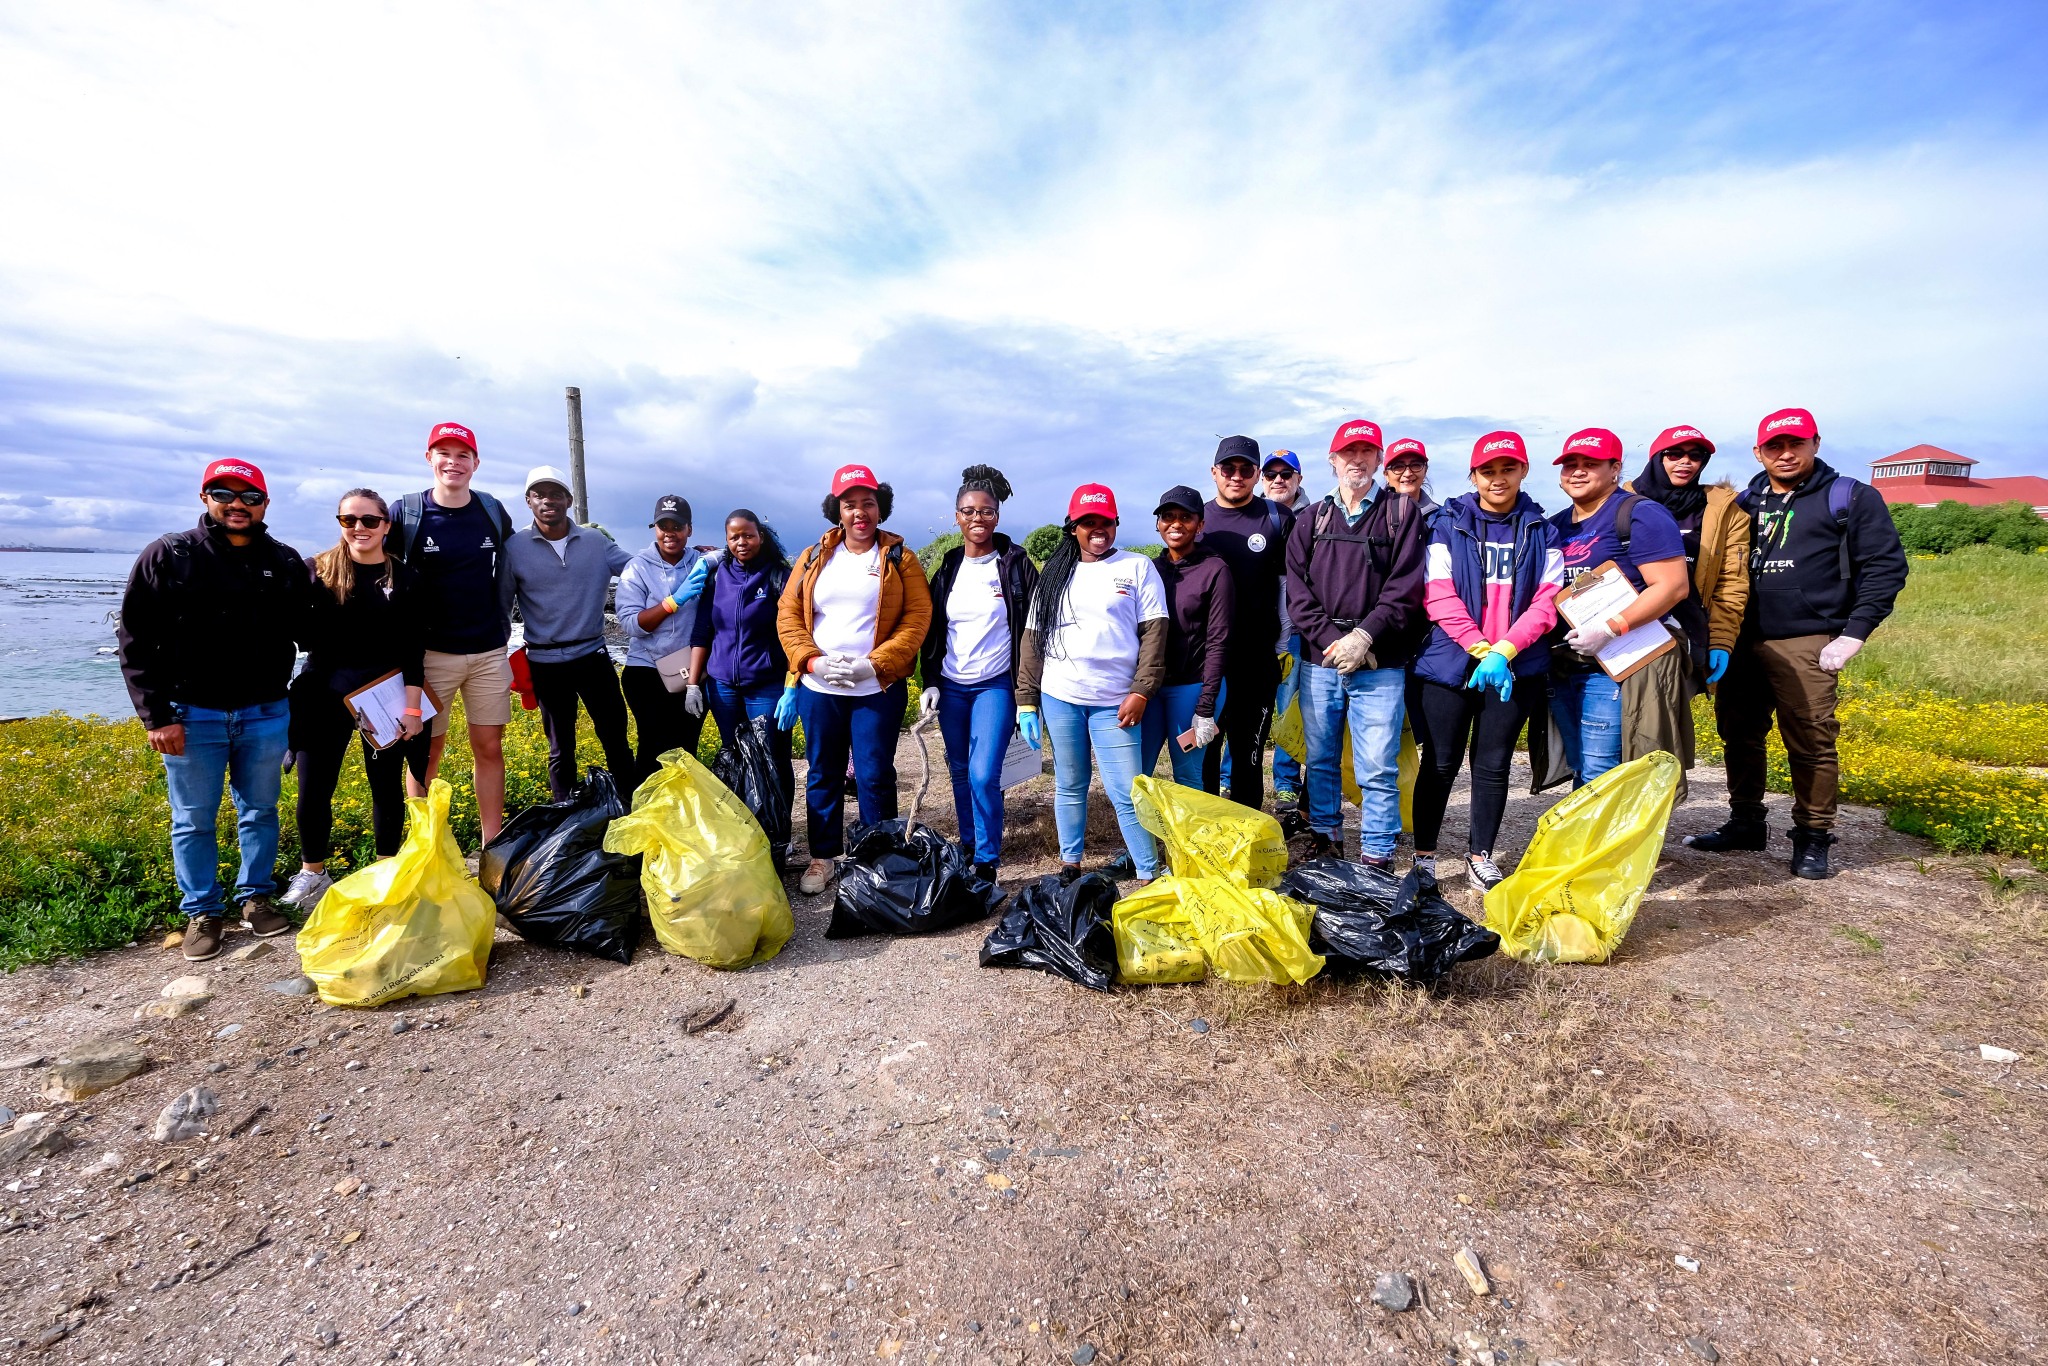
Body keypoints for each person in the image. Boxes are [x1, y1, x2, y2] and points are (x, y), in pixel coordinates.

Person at [1687, 408, 1908, 879]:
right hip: (1740, 639)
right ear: (1758, 452)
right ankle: (1746, 822)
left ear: (1815, 444)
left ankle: (1813, 835)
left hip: (1807, 637)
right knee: (1739, 736)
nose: (1785, 454)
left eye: (1795, 444)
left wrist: (1854, 633)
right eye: (1775, 446)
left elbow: (1885, 567)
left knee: (1810, 739)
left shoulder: (1849, 496)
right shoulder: (1743, 502)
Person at [117, 458, 308, 961]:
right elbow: (134, 638)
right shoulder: (169, 554)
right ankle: (202, 911)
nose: (237, 505)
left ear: (265, 504)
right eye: (224, 494)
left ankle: (256, 897)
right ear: (205, 498)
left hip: (266, 711)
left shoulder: (285, 561)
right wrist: (156, 716)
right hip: (190, 712)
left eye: (250, 496)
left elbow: (312, 629)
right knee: (193, 819)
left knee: (260, 811)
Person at [1408, 434, 1563, 890]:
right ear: (1473, 475)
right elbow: (1438, 594)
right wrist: (1481, 649)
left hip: (1515, 667)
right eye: (1488, 471)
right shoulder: (1447, 523)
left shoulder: (1543, 528)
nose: (1498, 479)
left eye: (1507, 469)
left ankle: (1480, 856)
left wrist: (1504, 651)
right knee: (1440, 762)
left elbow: (1547, 601)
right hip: (1450, 664)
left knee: (1493, 764)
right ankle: (1424, 857)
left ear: (1523, 471)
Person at [778, 464, 933, 896]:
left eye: (868, 503)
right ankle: (823, 856)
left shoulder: (900, 558)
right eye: (850, 505)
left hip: (876, 689)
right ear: (837, 510)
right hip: (820, 689)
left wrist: (874, 664)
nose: (859, 512)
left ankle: (877, 859)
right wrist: (811, 662)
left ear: (881, 508)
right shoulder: (813, 556)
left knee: (875, 774)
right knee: (823, 772)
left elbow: (917, 618)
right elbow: (788, 614)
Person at [1284, 419, 1429, 867]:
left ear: (1379, 459)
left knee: (1377, 764)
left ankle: (1377, 856)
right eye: (1349, 452)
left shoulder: (1400, 513)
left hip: (1380, 661)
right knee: (1321, 759)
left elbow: (1405, 587)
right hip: (1321, 661)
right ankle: (1327, 840)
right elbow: (1298, 593)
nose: (1358, 460)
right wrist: (1336, 642)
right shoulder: (1311, 518)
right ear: (1333, 460)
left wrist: (1364, 636)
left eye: (1367, 452)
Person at [283, 489, 431, 912]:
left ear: (386, 525)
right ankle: (313, 873)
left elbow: (413, 649)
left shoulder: (406, 578)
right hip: (323, 692)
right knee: (314, 788)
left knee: (385, 786)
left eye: (369, 520)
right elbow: (288, 632)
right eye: (349, 520)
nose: (359, 528)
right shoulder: (315, 571)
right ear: (340, 524)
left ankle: (386, 872)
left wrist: (413, 708)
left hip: (384, 693)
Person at [1016, 485, 1168, 884]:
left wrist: (1141, 691)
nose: (1097, 529)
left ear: (1116, 523)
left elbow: (1155, 635)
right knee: (1070, 783)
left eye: (1105, 521)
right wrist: (1027, 701)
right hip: (1060, 696)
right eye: (1088, 522)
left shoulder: (1137, 567)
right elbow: (1033, 640)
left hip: (1116, 701)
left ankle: (1148, 873)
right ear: (1073, 527)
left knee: (1127, 793)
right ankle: (1070, 865)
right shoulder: (1054, 573)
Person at [388, 422, 516, 845]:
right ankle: (424, 846)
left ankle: (492, 846)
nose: (453, 462)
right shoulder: (406, 512)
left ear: (476, 463)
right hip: (429, 655)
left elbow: (517, 564)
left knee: (490, 748)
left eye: (463, 455)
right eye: (444, 453)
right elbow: (374, 566)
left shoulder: (492, 510)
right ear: (429, 458)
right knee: (426, 751)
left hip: (489, 650)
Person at [1546, 428, 1693, 788]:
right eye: (1570, 464)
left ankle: (1605, 829)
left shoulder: (1639, 514)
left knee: (1601, 769)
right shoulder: (1556, 525)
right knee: (1579, 763)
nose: (1578, 472)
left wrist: (1610, 628)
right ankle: (1585, 827)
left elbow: (1672, 586)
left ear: (1615, 469)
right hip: (1567, 663)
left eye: (1590, 464)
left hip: (1618, 663)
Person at [917, 465, 1039, 881]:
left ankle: (987, 860)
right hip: (952, 686)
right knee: (958, 769)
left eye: (986, 511)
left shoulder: (1015, 564)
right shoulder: (948, 567)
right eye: (969, 511)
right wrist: (930, 680)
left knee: (984, 773)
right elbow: (934, 628)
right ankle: (969, 844)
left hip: (995, 685)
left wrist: (1028, 693)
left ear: (997, 516)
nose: (977, 518)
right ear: (957, 517)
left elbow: (1032, 628)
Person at [503, 465, 635, 799]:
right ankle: (564, 817)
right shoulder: (514, 548)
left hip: (593, 657)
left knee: (615, 738)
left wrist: (693, 560)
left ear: (569, 500)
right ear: (528, 501)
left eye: (556, 494)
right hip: (545, 663)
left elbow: (638, 571)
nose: (547, 500)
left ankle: (631, 809)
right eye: (539, 494)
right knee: (561, 749)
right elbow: (502, 606)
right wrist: (495, 658)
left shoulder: (596, 542)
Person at [687, 509, 796, 845]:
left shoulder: (778, 576)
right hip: (722, 686)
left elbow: (794, 633)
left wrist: (793, 686)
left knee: (773, 758)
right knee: (733, 756)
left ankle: (779, 834)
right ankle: (743, 835)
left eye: (748, 535)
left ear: (760, 536)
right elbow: (702, 631)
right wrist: (692, 684)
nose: (741, 542)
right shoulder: (716, 577)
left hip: (767, 685)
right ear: (727, 541)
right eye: (734, 537)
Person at [1201, 435, 1294, 811]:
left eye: (1245, 469)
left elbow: (1287, 589)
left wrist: (1282, 648)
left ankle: (1246, 837)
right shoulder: (1196, 520)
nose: (1236, 476)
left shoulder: (1277, 518)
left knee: (1248, 758)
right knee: (1203, 754)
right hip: (1204, 662)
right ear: (1214, 472)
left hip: (1256, 661)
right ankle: (1203, 835)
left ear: (1257, 474)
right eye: (1228, 468)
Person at [1625, 426, 1751, 688]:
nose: (1686, 462)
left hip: (1688, 635)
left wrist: (1721, 639)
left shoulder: (1726, 512)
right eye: (1674, 454)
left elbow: (1731, 582)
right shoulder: (1621, 503)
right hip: (1627, 632)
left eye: (1695, 456)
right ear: (1656, 459)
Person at [1141, 485, 1233, 786]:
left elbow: (1218, 641)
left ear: (1200, 525)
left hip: (1193, 687)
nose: (1176, 524)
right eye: (1168, 517)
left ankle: (1188, 823)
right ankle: (1144, 821)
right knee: (1137, 770)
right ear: (1158, 524)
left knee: (1188, 774)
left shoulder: (1214, 570)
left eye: (1185, 517)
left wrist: (1205, 706)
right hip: (1151, 688)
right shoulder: (1149, 569)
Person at [616, 494, 709, 786]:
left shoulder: (701, 563)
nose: (670, 533)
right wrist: (673, 602)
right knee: (653, 749)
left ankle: (681, 809)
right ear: (654, 528)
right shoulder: (637, 568)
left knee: (687, 750)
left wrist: (719, 553)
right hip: (646, 671)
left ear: (689, 529)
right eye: (663, 526)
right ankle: (646, 808)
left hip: (690, 673)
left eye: (677, 526)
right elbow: (631, 624)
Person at [1261, 449, 1310, 814]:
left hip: (1297, 631)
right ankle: (1229, 776)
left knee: (1290, 711)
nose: (1278, 480)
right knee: (1245, 709)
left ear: (1298, 478)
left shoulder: (1315, 516)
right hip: (1258, 632)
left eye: (1286, 473)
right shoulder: (1252, 515)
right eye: (1271, 474)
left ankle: (1286, 786)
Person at [1384, 439, 1440, 517]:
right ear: (1386, 475)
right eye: (1398, 466)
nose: (1407, 474)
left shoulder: (1443, 518)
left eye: (1415, 465)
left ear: (1425, 471)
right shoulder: (1372, 516)